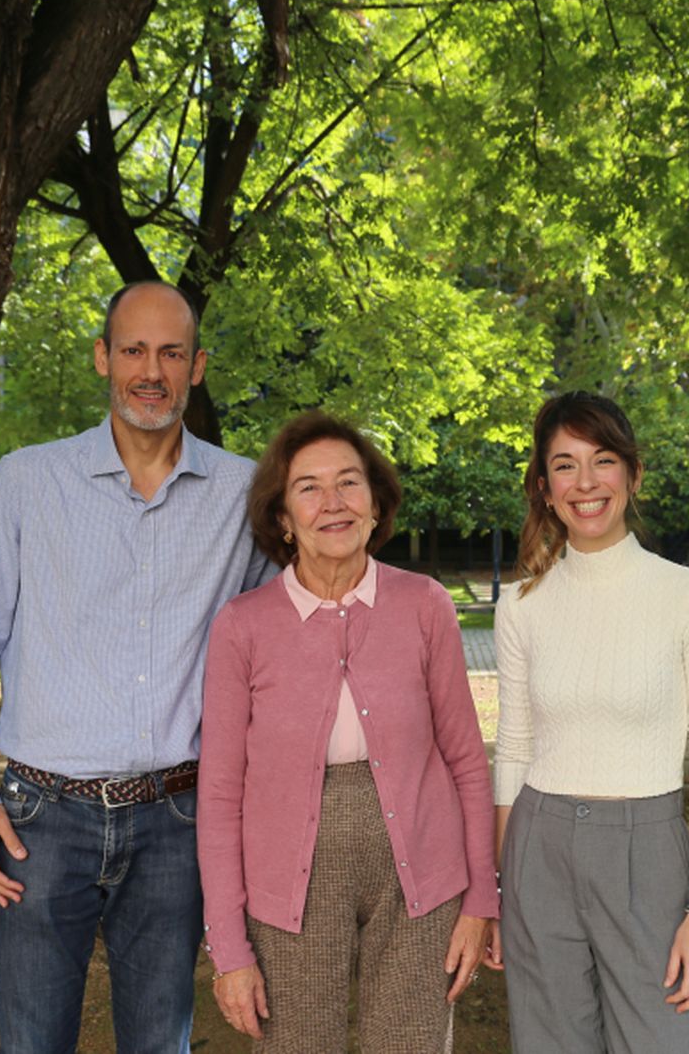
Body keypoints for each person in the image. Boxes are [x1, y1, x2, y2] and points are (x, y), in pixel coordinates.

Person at [0, 280, 274, 1054]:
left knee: (159, 1043)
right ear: (102, 358)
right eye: (133, 350)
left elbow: (278, 643)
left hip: (178, 823)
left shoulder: (243, 493)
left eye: (171, 353)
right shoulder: (27, 481)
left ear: (197, 367)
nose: (151, 371)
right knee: (32, 1042)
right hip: (41, 822)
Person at [197, 411, 500, 1051]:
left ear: (375, 503)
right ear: (283, 517)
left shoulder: (425, 605)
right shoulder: (242, 626)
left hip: (423, 877)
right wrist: (228, 946)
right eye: (308, 487)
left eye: (348, 483)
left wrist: (481, 900)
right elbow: (220, 796)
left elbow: (468, 763)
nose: (332, 502)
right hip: (286, 886)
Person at [494, 391, 689, 1053]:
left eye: (602, 460)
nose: (586, 482)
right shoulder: (520, 605)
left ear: (632, 475)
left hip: (649, 854)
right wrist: (501, 888)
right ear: (543, 487)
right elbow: (513, 750)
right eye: (565, 465)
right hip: (537, 850)